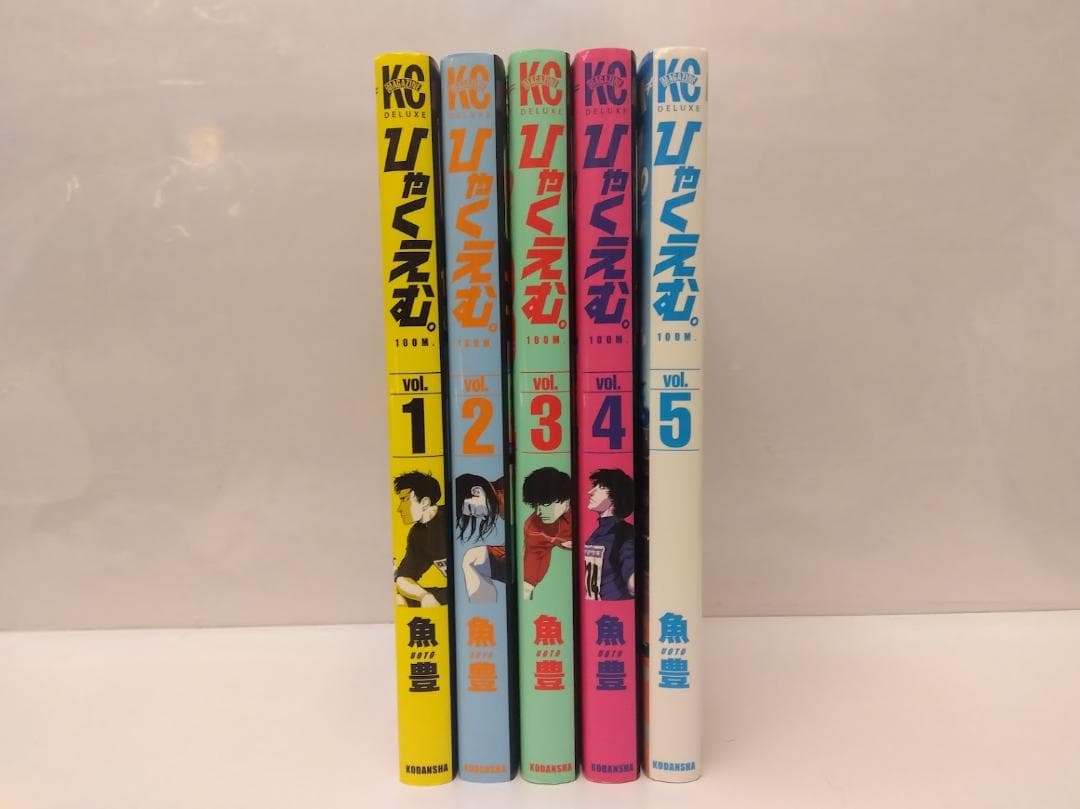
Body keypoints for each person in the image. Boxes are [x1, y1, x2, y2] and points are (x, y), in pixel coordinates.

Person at [393, 471, 448, 607]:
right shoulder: (418, 534)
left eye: (404, 499)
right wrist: (425, 596)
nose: (399, 509)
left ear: (424, 502)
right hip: (453, 594)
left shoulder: (455, 518)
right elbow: (404, 577)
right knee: (399, 599)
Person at [583, 468, 636, 600]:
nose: (590, 492)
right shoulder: (595, 535)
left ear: (614, 497)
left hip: (617, 606)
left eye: (600, 487)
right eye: (594, 487)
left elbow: (629, 559)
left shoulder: (624, 533)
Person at [521, 467, 572, 600]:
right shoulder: (534, 527)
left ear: (567, 499)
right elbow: (534, 557)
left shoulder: (593, 512)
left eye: (545, 504)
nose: (538, 512)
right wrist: (527, 588)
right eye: (535, 505)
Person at [455, 473, 507, 603]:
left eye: (471, 509)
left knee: (472, 559)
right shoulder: (500, 495)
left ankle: (484, 607)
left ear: (477, 491)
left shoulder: (504, 493)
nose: (481, 517)